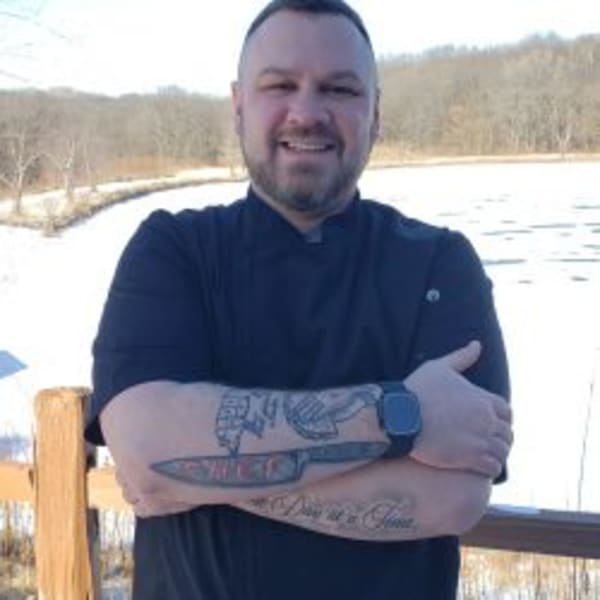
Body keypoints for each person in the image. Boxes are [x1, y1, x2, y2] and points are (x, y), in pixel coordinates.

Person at [85, 1, 513, 598]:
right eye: (280, 85)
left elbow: (454, 498)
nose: (307, 113)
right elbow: (142, 451)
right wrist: (403, 414)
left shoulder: (440, 264)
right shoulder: (173, 250)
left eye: (339, 89)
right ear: (239, 106)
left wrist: (197, 473)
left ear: (375, 114)